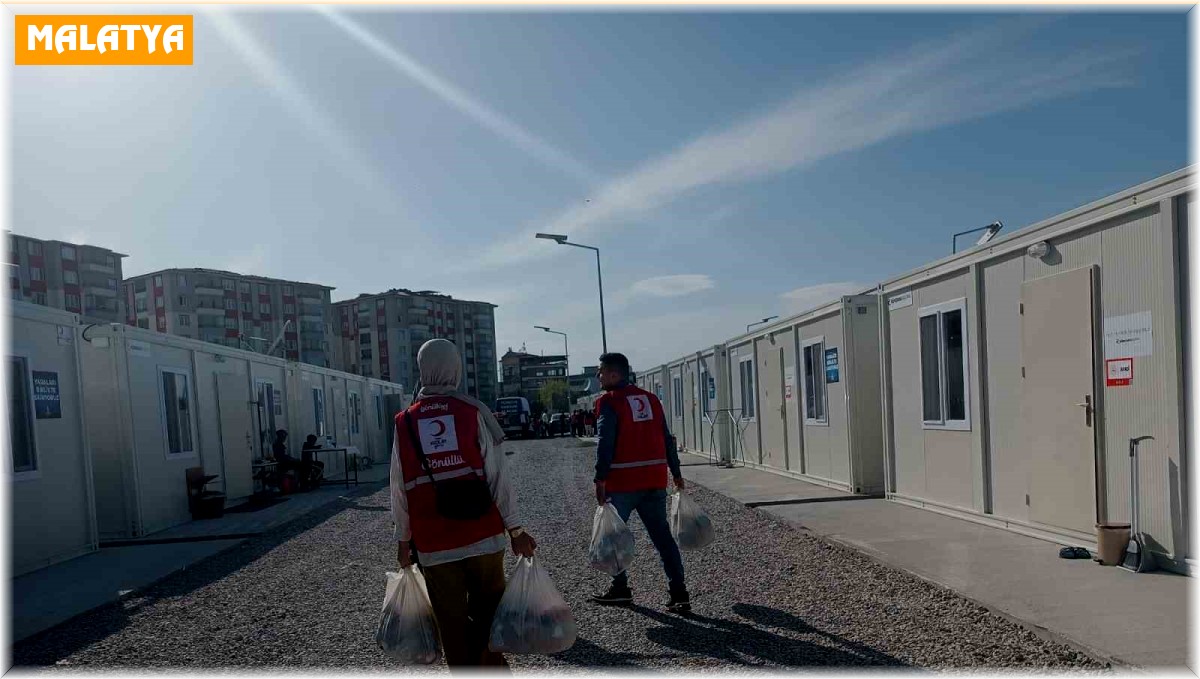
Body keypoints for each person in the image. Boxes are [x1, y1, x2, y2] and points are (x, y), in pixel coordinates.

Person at [391, 339, 537, 669]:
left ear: (422, 368)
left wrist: (403, 541)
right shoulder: (472, 412)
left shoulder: (405, 422)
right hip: (483, 536)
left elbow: (398, 488)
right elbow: (499, 478)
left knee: (451, 625)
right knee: (490, 618)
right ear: (455, 369)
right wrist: (517, 530)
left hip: (434, 543)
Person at [590, 352, 690, 612]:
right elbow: (667, 438)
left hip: (621, 482)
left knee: (612, 537)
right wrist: (676, 471)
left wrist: (600, 478)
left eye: (600, 372)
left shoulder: (609, 402)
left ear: (614, 374)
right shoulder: (652, 400)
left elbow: (605, 443)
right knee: (662, 538)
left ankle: (621, 588)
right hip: (654, 481)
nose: (598, 376)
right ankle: (679, 592)